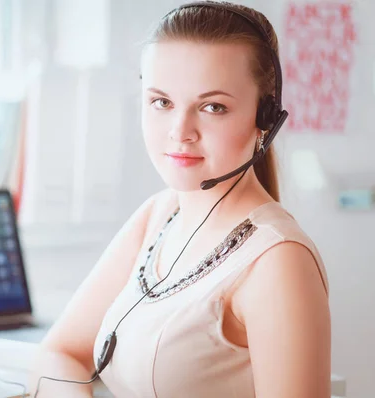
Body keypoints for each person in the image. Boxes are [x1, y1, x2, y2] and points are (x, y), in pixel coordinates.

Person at [29, 1, 331, 397]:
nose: (180, 131)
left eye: (213, 107)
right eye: (162, 102)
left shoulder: (278, 261)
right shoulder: (159, 214)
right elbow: (58, 353)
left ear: (265, 119)